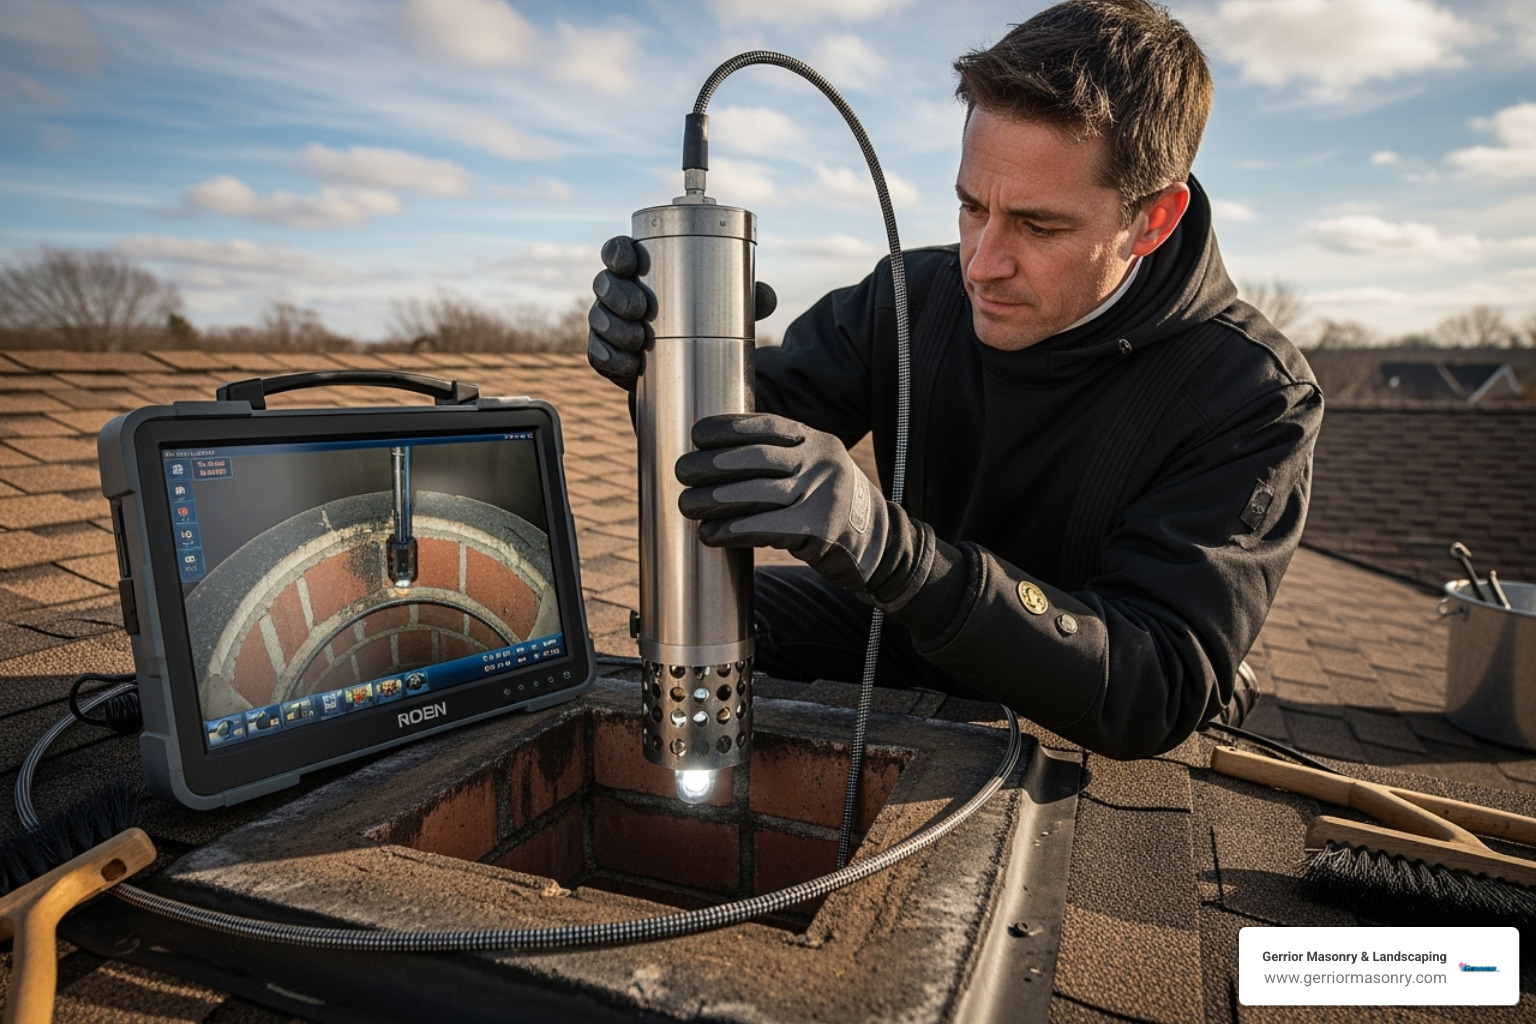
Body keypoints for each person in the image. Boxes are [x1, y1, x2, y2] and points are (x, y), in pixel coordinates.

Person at [586, 0, 1322, 759]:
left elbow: (1153, 686)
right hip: (913, 625)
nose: (981, 264)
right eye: (972, 207)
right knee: (692, 616)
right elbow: (733, 450)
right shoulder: (915, 295)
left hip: (1082, 687)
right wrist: (666, 367)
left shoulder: (1253, 396)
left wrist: (892, 551)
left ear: (1154, 219)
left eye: (1039, 227)